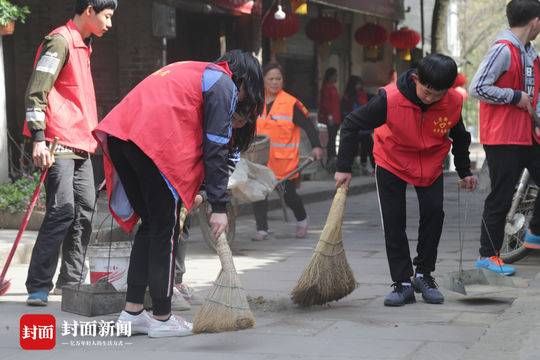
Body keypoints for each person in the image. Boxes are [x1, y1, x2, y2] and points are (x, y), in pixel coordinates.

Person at [93, 50, 264, 338]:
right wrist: (219, 205)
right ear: (244, 79)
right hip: (149, 142)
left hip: (122, 136)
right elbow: (215, 148)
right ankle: (161, 316)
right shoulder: (224, 84)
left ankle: (132, 312)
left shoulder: (193, 70)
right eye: (247, 96)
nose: (242, 103)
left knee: (152, 225)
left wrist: (201, 192)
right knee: (165, 229)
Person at [335, 54, 478, 307]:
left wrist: (465, 170)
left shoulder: (453, 101)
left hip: (431, 162)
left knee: (434, 214)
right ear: (415, 78)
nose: (431, 99)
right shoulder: (390, 99)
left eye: (438, 94)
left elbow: (459, 135)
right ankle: (401, 283)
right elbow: (350, 124)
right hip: (392, 160)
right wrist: (343, 167)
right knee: (394, 219)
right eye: (427, 91)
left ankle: (424, 274)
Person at [23, 0, 117, 306]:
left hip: (81, 142)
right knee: (62, 209)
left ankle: (71, 282)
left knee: (85, 210)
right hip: (57, 141)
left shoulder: (83, 46)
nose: (109, 23)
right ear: (89, 10)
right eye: (107, 16)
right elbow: (37, 91)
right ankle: (38, 284)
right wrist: (38, 137)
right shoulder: (60, 41)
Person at [469, 0, 540, 276]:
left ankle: (534, 231)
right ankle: (487, 255)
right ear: (534, 21)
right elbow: (477, 87)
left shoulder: (530, 54)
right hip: (502, 136)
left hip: (526, 134)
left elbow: (533, 94)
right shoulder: (503, 50)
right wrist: (513, 96)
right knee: (500, 196)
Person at [252, 62, 323, 241]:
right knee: (258, 193)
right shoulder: (256, 102)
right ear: (263, 80)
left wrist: (316, 146)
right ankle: (262, 229)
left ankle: (302, 220)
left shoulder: (290, 103)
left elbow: (308, 126)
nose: (275, 82)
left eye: (278, 78)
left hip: (284, 162)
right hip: (260, 159)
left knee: (289, 195)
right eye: (271, 79)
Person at [341, 75, 374, 175]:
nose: (359, 86)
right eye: (357, 84)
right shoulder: (347, 97)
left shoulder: (363, 95)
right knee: (353, 148)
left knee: (368, 147)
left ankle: (369, 167)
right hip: (354, 126)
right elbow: (346, 111)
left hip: (364, 127)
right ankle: (352, 167)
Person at [319, 67, 341, 161]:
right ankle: (330, 157)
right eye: (335, 75)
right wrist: (330, 116)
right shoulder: (326, 88)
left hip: (337, 116)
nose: (336, 77)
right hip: (331, 117)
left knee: (334, 136)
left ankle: (333, 156)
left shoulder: (333, 88)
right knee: (332, 138)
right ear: (330, 76)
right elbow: (326, 104)